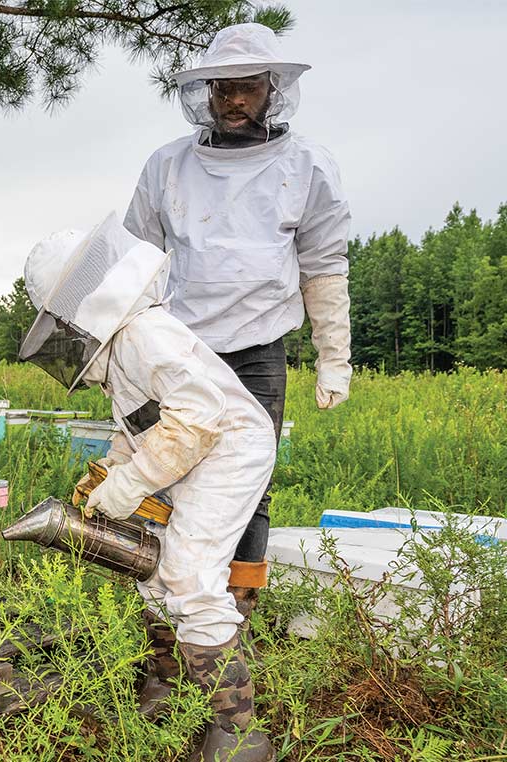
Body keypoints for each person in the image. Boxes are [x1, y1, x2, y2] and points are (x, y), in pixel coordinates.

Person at [124, 21, 352, 643]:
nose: (233, 100)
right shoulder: (167, 165)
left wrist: (335, 359)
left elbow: (326, 266)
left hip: (256, 351)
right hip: (177, 350)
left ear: (272, 89)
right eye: (223, 87)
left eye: (247, 87)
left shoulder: (306, 165)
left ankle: (230, 622)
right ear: (206, 92)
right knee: (163, 476)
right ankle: (165, 626)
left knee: (248, 487)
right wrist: (126, 356)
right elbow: (135, 264)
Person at [20, 212, 277, 761]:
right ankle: (167, 684)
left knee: (187, 572)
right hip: (194, 453)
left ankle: (239, 732)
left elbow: (198, 418)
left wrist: (131, 484)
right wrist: (113, 476)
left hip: (230, 449)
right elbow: (137, 429)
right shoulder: (120, 347)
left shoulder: (145, 332)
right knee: (151, 570)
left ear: (78, 305)